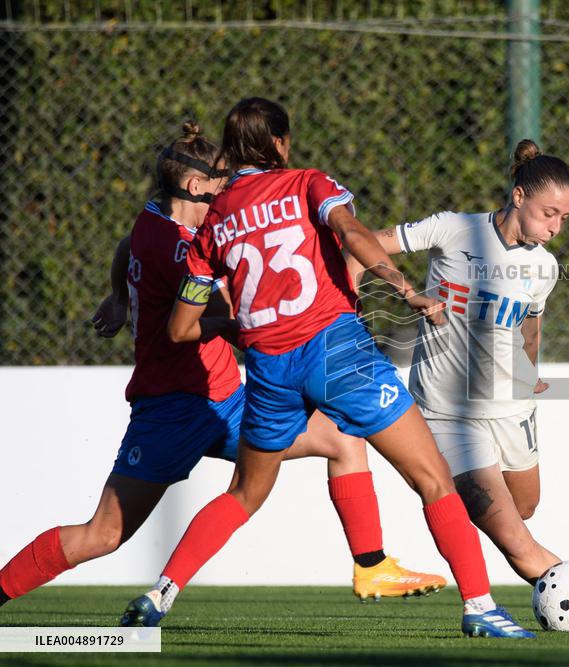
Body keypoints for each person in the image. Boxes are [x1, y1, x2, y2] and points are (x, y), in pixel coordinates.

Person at [119, 98, 533, 638]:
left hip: (268, 367)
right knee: (432, 478)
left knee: (244, 492)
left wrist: (249, 322)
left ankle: (161, 593)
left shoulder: (212, 223)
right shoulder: (305, 183)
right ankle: (480, 608)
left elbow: (179, 329)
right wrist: (404, 286)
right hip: (336, 351)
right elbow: (353, 235)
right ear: (281, 145)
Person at [0, 123, 443, 613]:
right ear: (194, 188)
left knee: (342, 438)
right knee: (103, 535)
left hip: (225, 402)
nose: (230, 187)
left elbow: (127, 247)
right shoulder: (178, 248)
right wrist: (256, 323)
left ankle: (372, 565)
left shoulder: (159, 222)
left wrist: (118, 297)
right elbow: (194, 320)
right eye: (221, 180)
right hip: (170, 408)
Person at [347, 139, 569, 630]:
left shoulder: (544, 267)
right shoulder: (455, 228)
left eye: (565, 218)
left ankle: (463, 505)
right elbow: (361, 244)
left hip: (513, 410)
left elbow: (530, 326)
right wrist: (358, 303)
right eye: (549, 213)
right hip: (450, 415)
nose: (556, 227)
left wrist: (529, 374)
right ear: (518, 197)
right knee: (514, 538)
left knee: (526, 508)